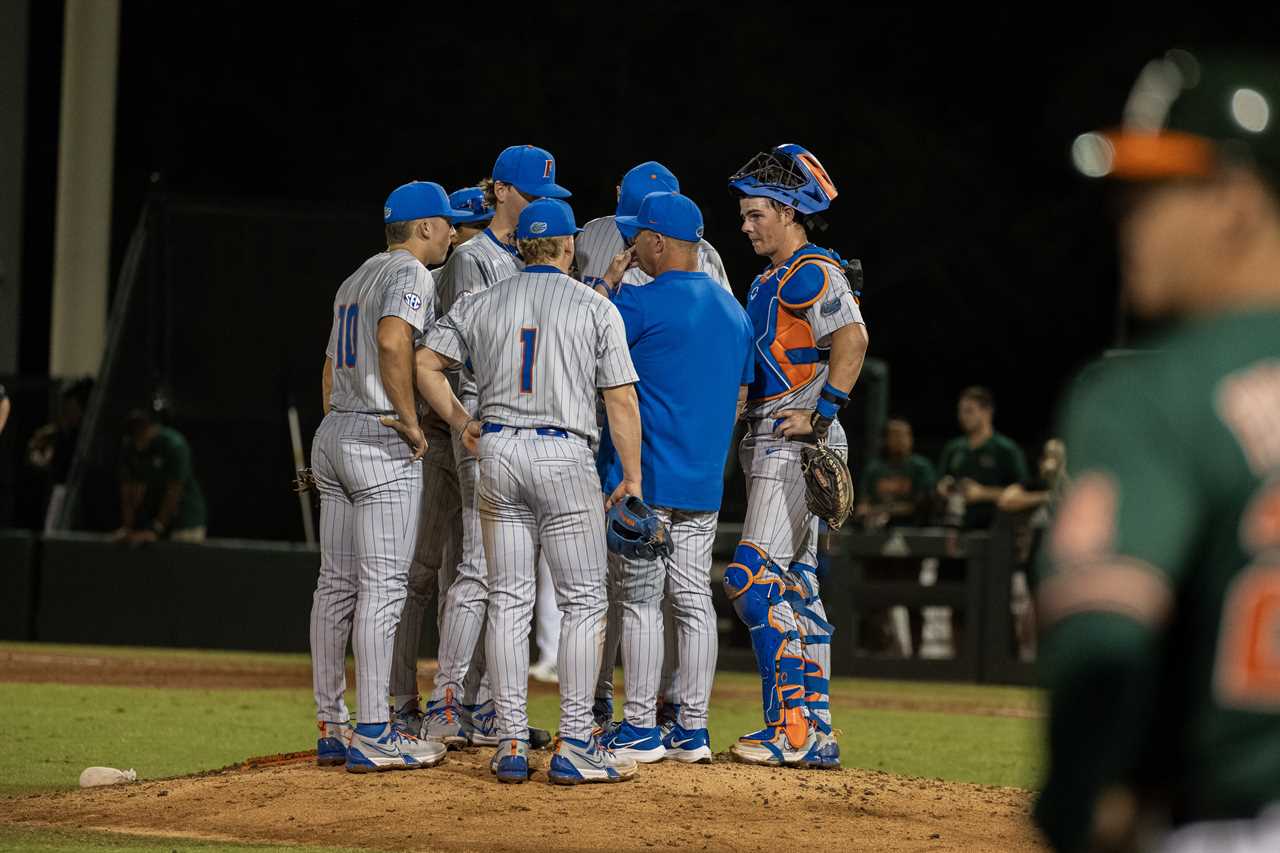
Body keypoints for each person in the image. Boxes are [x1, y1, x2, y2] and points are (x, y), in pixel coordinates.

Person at [1036, 50, 1280, 852]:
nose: (1126, 216)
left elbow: (1101, 649)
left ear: (1237, 200)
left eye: (1155, 190)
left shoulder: (1151, 395)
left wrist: (1081, 803)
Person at [409, 197, 643, 785]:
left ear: (520, 246)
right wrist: (633, 477)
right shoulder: (594, 306)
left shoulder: (481, 300)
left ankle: (510, 738)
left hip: (499, 452)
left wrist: (463, 421)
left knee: (508, 598)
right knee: (584, 601)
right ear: (568, 248)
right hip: (564, 451)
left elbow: (426, 364)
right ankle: (575, 743)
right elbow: (620, 399)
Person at [409, 145, 569, 749]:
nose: (541, 203)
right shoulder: (473, 259)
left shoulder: (532, 256)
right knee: (476, 569)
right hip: (478, 423)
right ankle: (447, 701)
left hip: (513, 430)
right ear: (501, 191)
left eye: (547, 195)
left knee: (499, 574)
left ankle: (480, 703)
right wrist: (463, 423)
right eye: (531, 192)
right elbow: (453, 357)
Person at [308, 180, 467, 774]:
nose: (453, 230)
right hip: (376, 437)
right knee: (383, 589)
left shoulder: (357, 276)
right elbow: (393, 339)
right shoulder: (411, 275)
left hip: (337, 434)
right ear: (423, 227)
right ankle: (376, 730)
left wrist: (341, 427)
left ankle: (332, 725)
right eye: (446, 222)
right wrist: (406, 416)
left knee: (335, 588)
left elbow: (329, 367)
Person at [590, 191, 754, 764]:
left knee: (638, 601)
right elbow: (739, 395)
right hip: (706, 482)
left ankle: (639, 726)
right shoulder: (736, 312)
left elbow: (583, 344)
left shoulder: (637, 304)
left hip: (647, 481)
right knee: (692, 600)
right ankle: (693, 728)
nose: (631, 244)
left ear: (658, 242)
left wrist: (609, 281)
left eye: (638, 236)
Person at [724, 143, 870, 767]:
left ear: (789, 212)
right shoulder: (772, 277)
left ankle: (791, 730)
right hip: (780, 438)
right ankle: (817, 728)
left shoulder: (812, 270)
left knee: (750, 580)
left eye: (757, 214)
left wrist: (822, 411)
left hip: (795, 441)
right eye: (745, 214)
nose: (746, 224)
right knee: (798, 586)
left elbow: (854, 340)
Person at [576, 160, 731, 292]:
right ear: (618, 194)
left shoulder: (703, 256)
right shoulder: (588, 236)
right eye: (633, 221)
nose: (637, 233)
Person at [936, 387, 1029, 529]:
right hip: (955, 527)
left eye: (969, 411)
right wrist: (944, 487)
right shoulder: (953, 448)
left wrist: (982, 493)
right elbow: (939, 483)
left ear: (987, 411)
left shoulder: (1006, 449)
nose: (962, 416)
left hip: (996, 530)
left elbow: (1022, 493)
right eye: (960, 411)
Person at [114, 408, 207, 544]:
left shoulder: (174, 445)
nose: (139, 434)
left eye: (143, 428)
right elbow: (128, 493)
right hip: (151, 523)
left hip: (184, 524)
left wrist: (156, 529)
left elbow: (174, 491)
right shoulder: (129, 446)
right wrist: (128, 528)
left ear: (154, 427)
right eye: (134, 430)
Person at [856, 417, 936, 529]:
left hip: (913, 528)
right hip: (877, 528)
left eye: (905, 435)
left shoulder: (920, 467)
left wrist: (882, 510)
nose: (901, 440)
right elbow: (863, 505)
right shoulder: (874, 469)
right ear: (886, 439)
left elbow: (922, 506)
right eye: (896, 435)